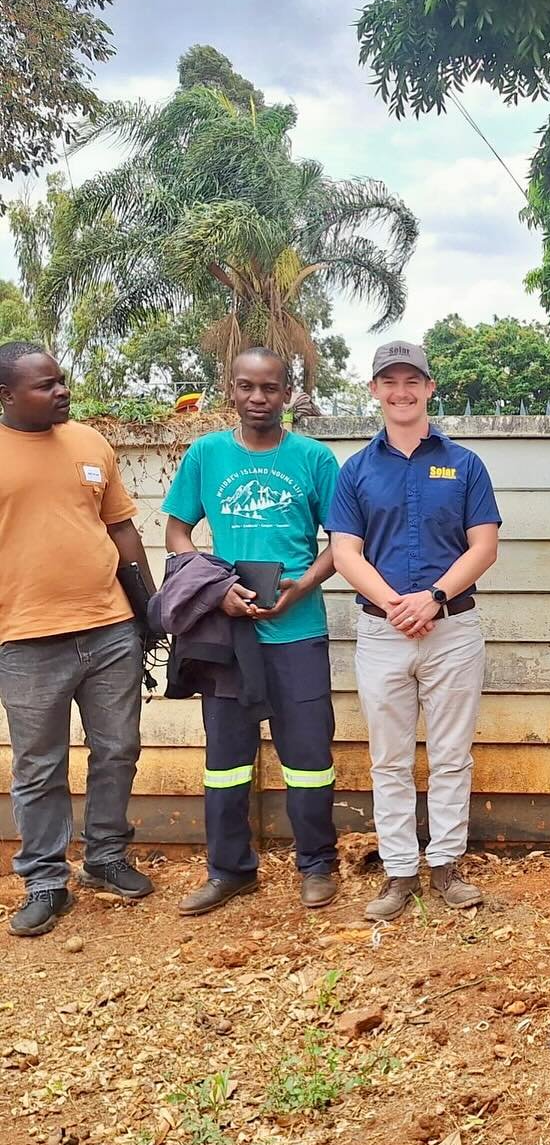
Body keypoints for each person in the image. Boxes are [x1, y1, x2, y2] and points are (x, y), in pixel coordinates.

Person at [161, 349, 341, 914]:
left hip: (298, 632)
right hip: (227, 637)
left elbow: (343, 544)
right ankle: (230, 870)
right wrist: (216, 592)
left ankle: (317, 864)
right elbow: (176, 534)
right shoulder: (205, 454)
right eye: (246, 387)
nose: (258, 398)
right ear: (230, 391)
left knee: (309, 757)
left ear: (287, 393)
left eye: (269, 388)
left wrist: (302, 586)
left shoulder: (315, 458)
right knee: (227, 758)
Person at [328, 341, 502, 921]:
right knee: (389, 759)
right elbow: (344, 551)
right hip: (381, 633)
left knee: (452, 754)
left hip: (452, 629)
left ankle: (447, 865)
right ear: (374, 390)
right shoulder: (355, 471)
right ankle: (400, 871)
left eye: (412, 381)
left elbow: (484, 546)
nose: (401, 391)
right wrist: (394, 604)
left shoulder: (466, 465)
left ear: (430, 388)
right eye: (389, 381)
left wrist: (432, 599)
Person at [0, 342, 155, 937]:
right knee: (39, 766)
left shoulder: (91, 443)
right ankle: (44, 882)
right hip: (26, 637)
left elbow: (120, 528)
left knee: (118, 749)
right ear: (8, 396)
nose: (61, 391)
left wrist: (148, 610)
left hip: (109, 627)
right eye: (45, 385)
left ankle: (106, 858)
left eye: (61, 380)